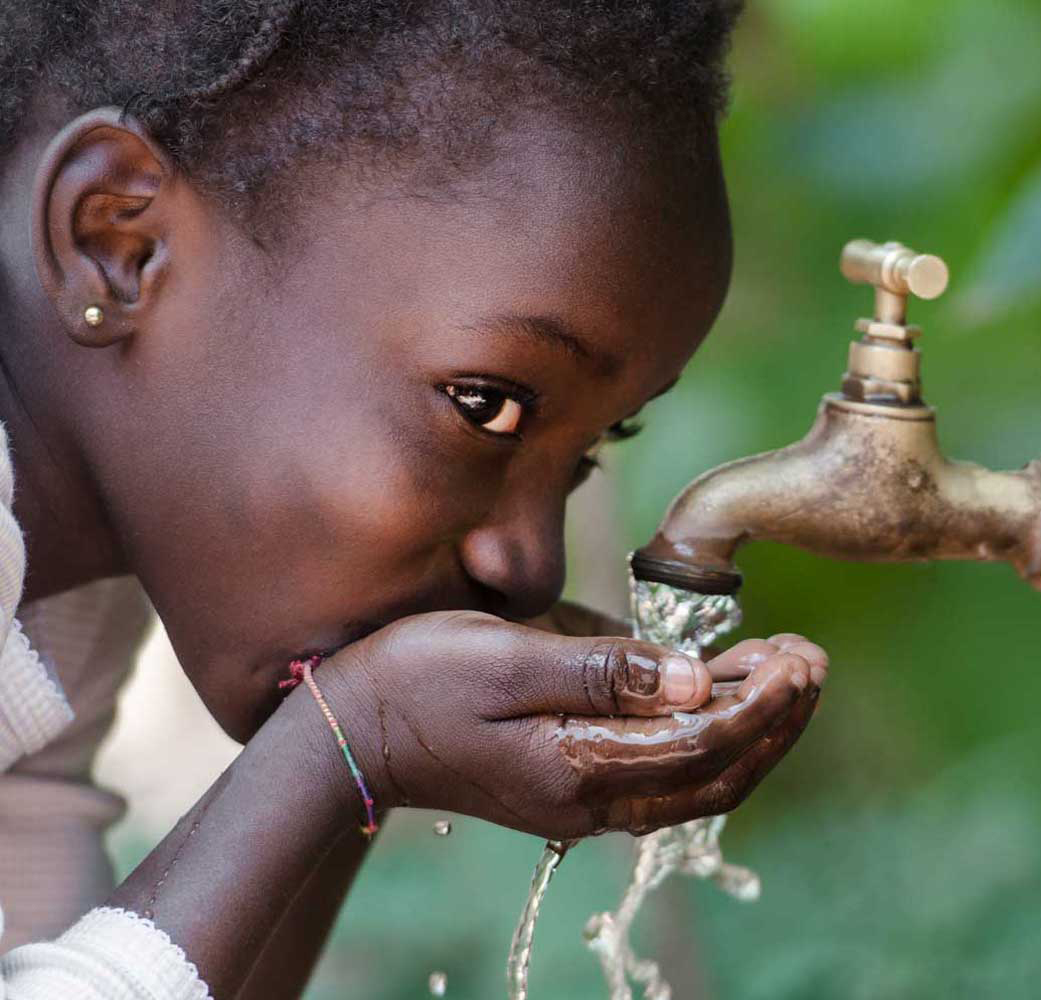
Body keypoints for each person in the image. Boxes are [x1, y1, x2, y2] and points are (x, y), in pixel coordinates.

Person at [0, 2, 829, 996]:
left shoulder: (63, 589)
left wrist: (366, 743)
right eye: (488, 405)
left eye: (592, 450)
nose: (528, 567)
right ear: (118, 241)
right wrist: (348, 741)